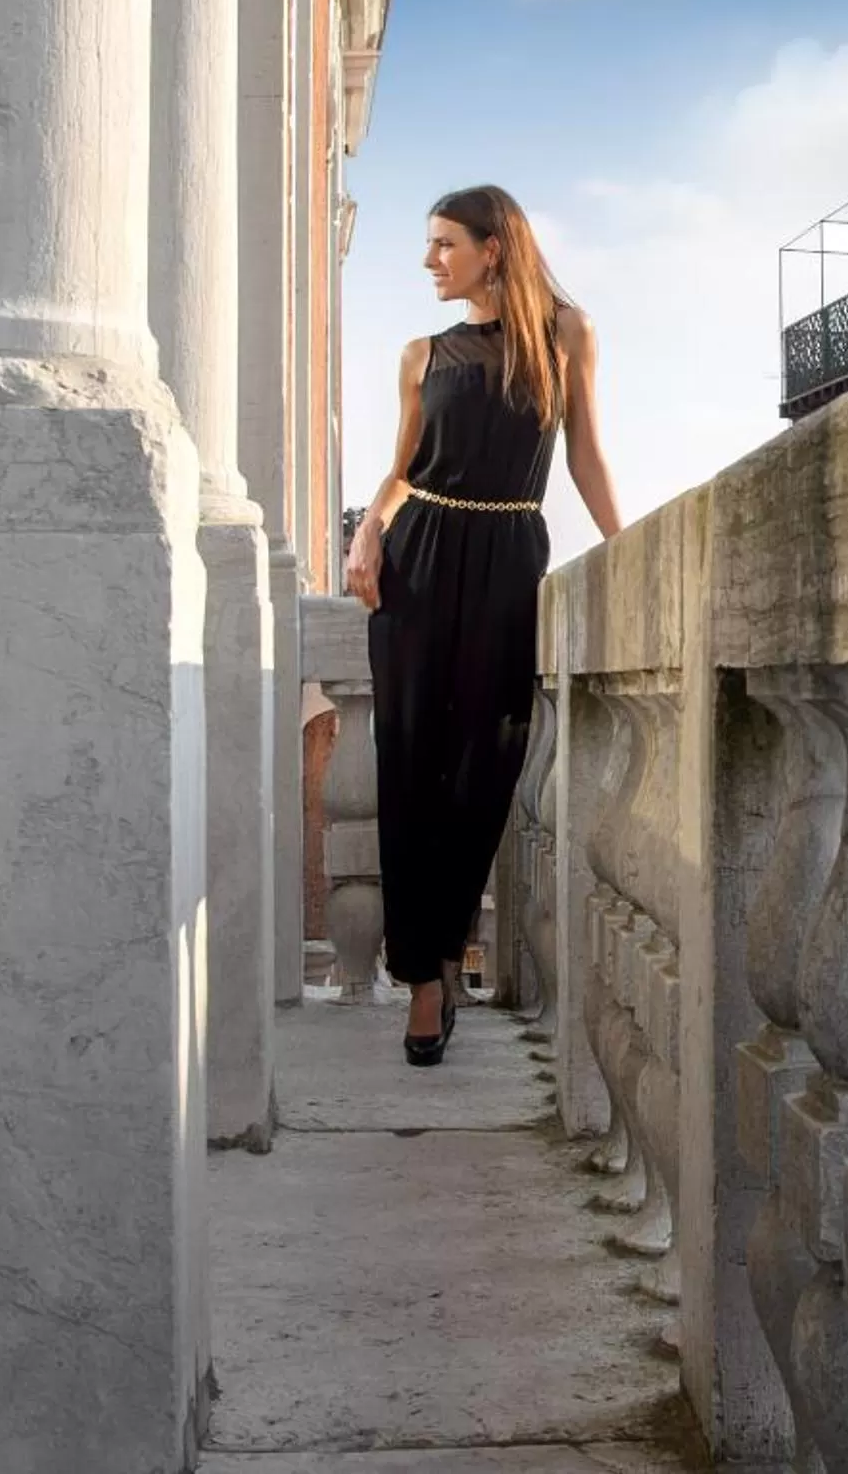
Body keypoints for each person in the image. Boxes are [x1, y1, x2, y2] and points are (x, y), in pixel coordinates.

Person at [344, 185, 621, 1065]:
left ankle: (442, 948)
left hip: (508, 556)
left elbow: (583, 454)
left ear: (493, 248)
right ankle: (424, 983)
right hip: (418, 560)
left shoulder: (566, 335)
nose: (431, 261)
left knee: (490, 762)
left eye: (444, 244)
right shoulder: (422, 355)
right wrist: (365, 534)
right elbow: (399, 471)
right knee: (410, 765)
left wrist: (630, 546)